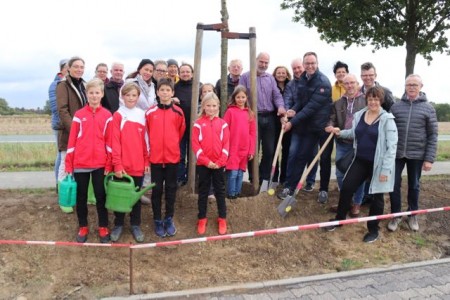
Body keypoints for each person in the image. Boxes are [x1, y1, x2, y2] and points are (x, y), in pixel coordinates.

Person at [325, 86, 398, 243]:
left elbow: (392, 148)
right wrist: (339, 131)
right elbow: (353, 133)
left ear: (381, 100)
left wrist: (385, 170)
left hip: (378, 165)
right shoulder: (360, 115)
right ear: (366, 100)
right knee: (347, 188)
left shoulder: (387, 120)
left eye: (376, 99)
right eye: (370, 99)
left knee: (377, 197)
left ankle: (373, 230)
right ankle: (339, 220)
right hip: (360, 161)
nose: (373, 102)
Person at [277, 52, 332, 204]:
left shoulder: (323, 82)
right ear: (304, 64)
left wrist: (292, 123)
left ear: (317, 63)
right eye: (307, 63)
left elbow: (310, 108)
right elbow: (301, 102)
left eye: (312, 63)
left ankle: (323, 190)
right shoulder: (303, 79)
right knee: (301, 156)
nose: (310, 66)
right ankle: (290, 187)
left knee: (325, 159)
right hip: (310, 126)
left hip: (324, 126)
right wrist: (292, 111)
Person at [388, 74, 438, 232]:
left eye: (414, 85)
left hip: (417, 154)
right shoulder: (396, 106)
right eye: (408, 84)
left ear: (421, 87)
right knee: (393, 184)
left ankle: (412, 214)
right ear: (405, 86)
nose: (411, 87)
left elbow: (433, 135)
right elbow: (389, 131)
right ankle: (395, 215)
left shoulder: (428, 108)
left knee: (414, 185)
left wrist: (429, 159)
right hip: (396, 153)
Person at [65, 78, 113, 243]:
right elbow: (71, 142)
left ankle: (103, 227)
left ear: (102, 94)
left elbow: (110, 142)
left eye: (97, 93)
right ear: (86, 94)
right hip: (80, 164)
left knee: (101, 196)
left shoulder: (107, 115)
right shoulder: (79, 115)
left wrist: (109, 163)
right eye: (91, 93)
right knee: (81, 197)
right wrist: (69, 164)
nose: (94, 96)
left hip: (100, 164)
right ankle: (83, 226)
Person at [146, 78, 186, 237]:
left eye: (168, 90)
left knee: (170, 189)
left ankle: (168, 218)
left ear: (172, 93)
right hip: (155, 159)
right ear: (157, 92)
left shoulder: (178, 112)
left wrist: (171, 147)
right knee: (156, 190)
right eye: (162, 90)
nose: (164, 93)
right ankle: (157, 219)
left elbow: (180, 132)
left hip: (172, 158)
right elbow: (147, 134)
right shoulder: (149, 112)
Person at [110, 82, 149, 243]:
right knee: (120, 196)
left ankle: (135, 224)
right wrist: (117, 165)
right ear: (122, 96)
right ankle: (118, 224)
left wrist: (146, 161)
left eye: (134, 95)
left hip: (138, 164)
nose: (131, 98)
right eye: (128, 95)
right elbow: (115, 142)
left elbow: (145, 140)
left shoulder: (142, 115)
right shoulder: (118, 115)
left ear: (138, 97)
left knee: (136, 197)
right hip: (122, 166)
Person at [239, 52, 286, 185]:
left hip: (270, 117)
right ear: (255, 60)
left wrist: (281, 107)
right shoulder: (245, 77)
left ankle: (264, 178)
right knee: (253, 150)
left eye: (266, 62)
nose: (264, 65)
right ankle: (254, 178)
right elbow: (240, 96)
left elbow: (276, 95)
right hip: (253, 117)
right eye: (261, 61)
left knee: (269, 149)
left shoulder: (270, 78)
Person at [325, 74, 367, 216]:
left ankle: (357, 203)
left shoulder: (366, 101)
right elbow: (332, 119)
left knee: (359, 175)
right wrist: (330, 126)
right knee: (339, 173)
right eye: (346, 83)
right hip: (342, 143)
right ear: (343, 85)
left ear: (357, 84)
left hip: (359, 144)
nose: (349, 86)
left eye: (352, 83)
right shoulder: (338, 103)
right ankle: (345, 201)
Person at [191, 92, 230, 235]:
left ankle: (222, 218)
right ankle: (201, 218)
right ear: (204, 106)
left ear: (218, 106)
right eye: (208, 105)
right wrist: (206, 162)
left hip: (219, 165)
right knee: (203, 191)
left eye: (214, 105)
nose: (211, 108)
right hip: (203, 164)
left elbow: (226, 144)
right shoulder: (198, 124)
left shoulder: (223, 124)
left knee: (220, 191)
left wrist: (219, 162)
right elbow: (195, 145)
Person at [359, 62, 395, 205]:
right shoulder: (358, 91)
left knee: (375, 167)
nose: (367, 78)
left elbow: (392, 111)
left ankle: (373, 197)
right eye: (364, 75)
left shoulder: (385, 91)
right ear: (361, 76)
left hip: (378, 137)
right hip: (362, 137)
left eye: (370, 75)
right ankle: (363, 196)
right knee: (363, 168)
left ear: (375, 75)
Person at [56, 56, 88, 214]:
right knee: (65, 165)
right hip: (69, 132)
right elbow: (62, 110)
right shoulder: (63, 85)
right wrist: (75, 129)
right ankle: (64, 199)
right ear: (68, 68)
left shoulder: (84, 84)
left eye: (82, 67)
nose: (79, 69)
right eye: (76, 66)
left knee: (78, 166)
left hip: (84, 132)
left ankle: (73, 194)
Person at [125, 59, 157, 204]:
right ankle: (132, 187)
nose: (148, 73)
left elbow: (154, 103)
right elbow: (125, 102)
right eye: (146, 69)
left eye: (151, 71)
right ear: (139, 69)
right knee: (134, 153)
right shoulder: (131, 83)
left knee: (147, 152)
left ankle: (145, 188)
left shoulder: (153, 86)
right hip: (134, 121)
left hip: (148, 123)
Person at [223, 85, 256, 199]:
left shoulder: (250, 114)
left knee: (240, 173)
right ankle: (231, 194)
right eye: (238, 97)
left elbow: (252, 134)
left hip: (244, 148)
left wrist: (251, 150)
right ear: (234, 98)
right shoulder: (230, 112)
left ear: (246, 98)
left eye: (243, 97)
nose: (240, 99)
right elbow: (224, 130)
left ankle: (237, 193)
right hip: (232, 147)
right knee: (232, 173)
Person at [174, 63, 199, 186]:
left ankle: (192, 177)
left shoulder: (198, 86)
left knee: (193, 154)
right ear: (179, 74)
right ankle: (180, 178)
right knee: (180, 154)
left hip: (195, 126)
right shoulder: (175, 87)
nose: (185, 74)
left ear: (192, 73)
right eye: (182, 72)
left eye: (187, 71)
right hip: (180, 127)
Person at [281, 58, 304, 187]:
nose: (297, 70)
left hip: (310, 123)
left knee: (310, 155)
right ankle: (289, 182)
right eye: (294, 68)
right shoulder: (290, 85)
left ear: (304, 67)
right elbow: (287, 101)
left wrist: (295, 110)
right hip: (295, 124)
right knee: (292, 152)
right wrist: (288, 112)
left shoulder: (312, 81)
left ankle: (309, 182)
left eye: (299, 67)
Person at [49, 58, 69, 191]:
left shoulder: (71, 83)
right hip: (60, 125)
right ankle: (58, 183)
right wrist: (66, 123)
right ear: (62, 69)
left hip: (69, 123)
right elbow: (56, 107)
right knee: (61, 154)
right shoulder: (55, 84)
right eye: (68, 67)